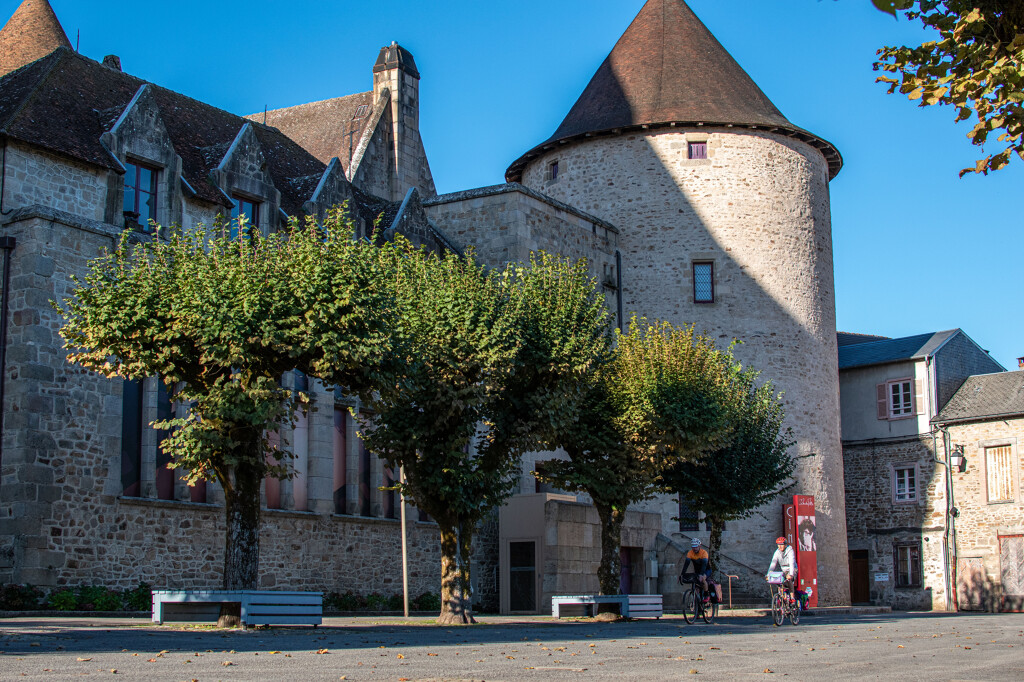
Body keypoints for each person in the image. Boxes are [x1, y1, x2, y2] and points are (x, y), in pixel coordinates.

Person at [766, 536, 797, 602]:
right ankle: (782, 598)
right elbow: (773, 563)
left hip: (792, 569)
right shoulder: (777, 552)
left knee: (789, 581)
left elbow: (792, 563)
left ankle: (792, 597)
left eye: (782, 545)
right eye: (778, 545)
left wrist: (791, 575)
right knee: (779, 581)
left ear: (785, 545)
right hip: (784, 570)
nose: (780, 547)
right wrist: (768, 574)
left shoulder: (790, 551)